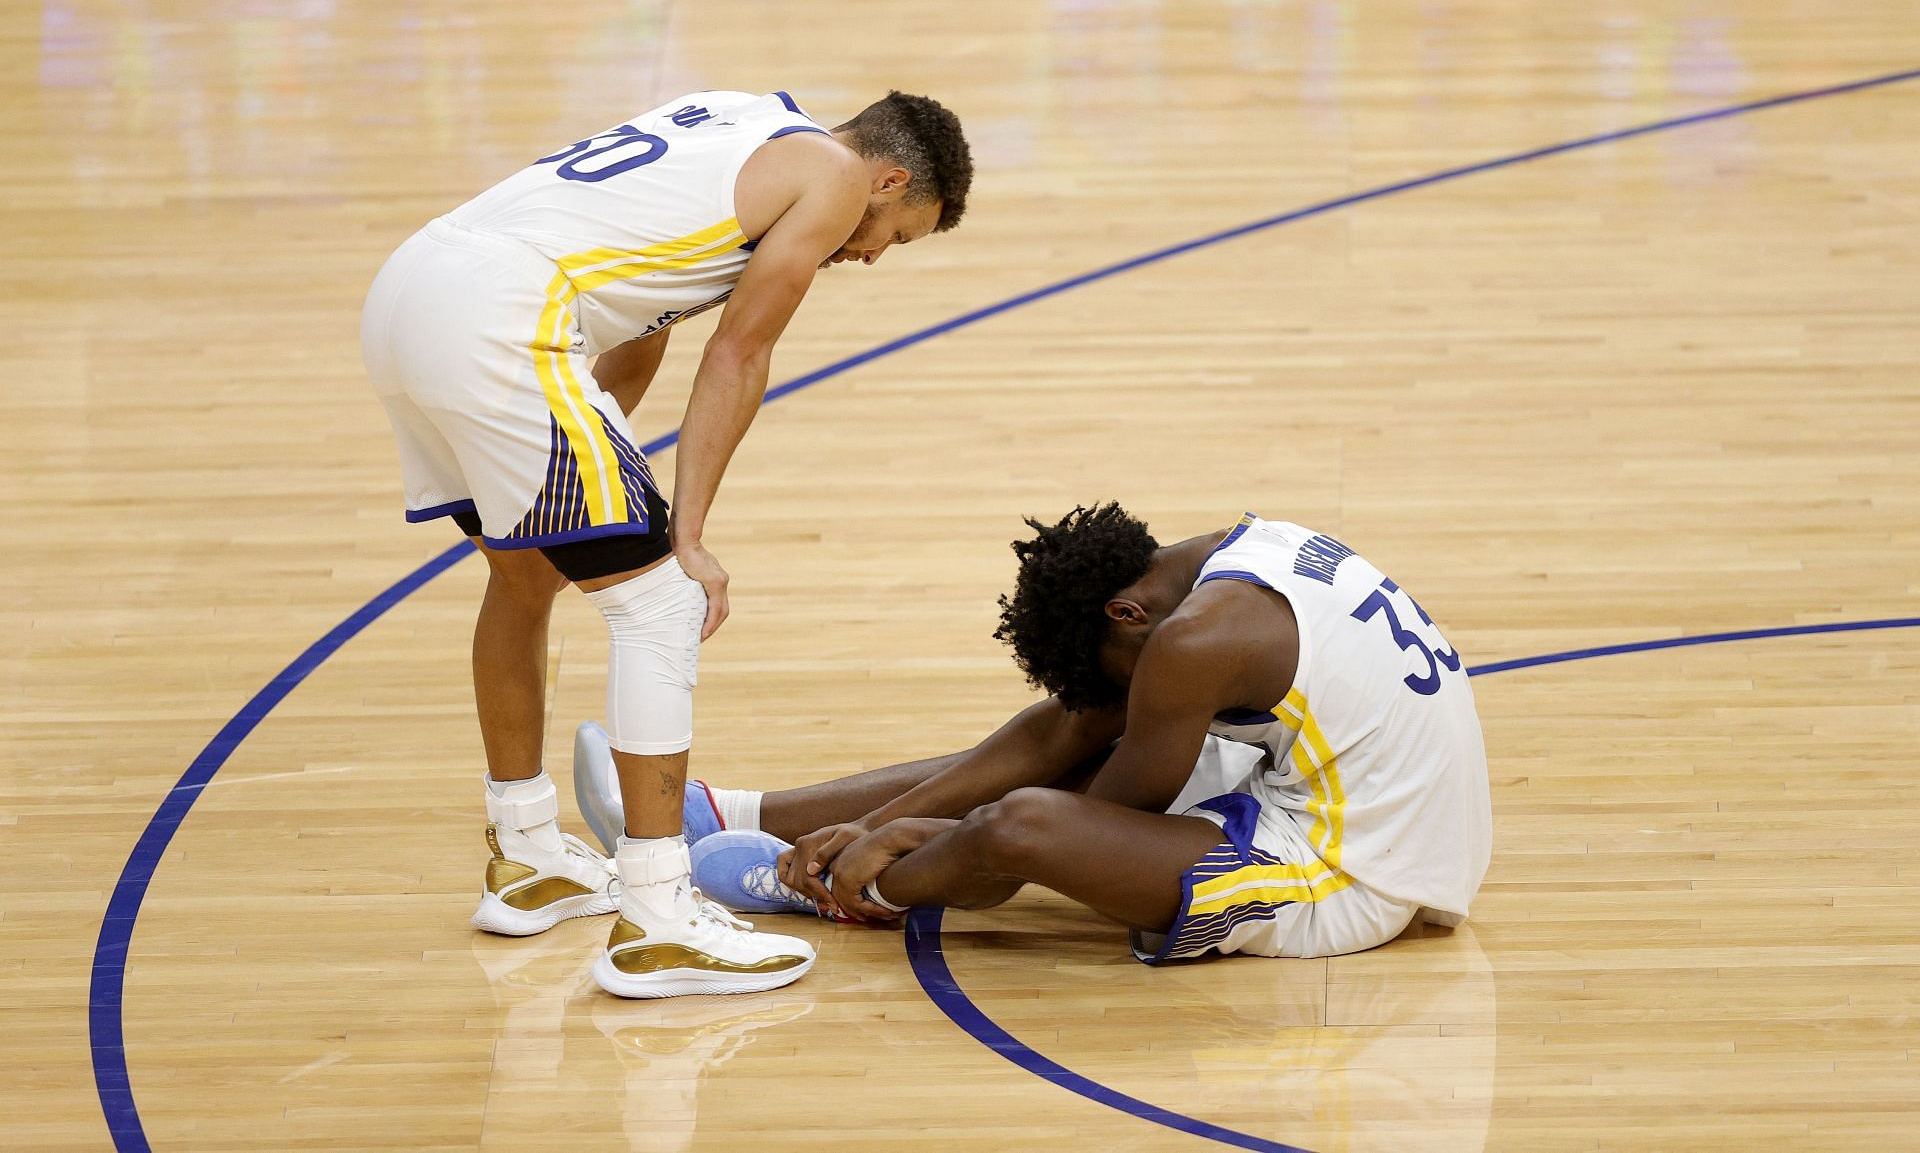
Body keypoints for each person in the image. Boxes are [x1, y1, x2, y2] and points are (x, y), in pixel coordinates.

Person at [360, 89, 973, 997]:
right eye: (899, 233)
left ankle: (527, 856)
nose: (872, 253)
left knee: (527, 578)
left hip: (413, 294)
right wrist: (683, 539)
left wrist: (597, 497)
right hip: (503, 318)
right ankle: (658, 919)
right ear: (888, 178)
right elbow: (740, 351)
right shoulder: (838, 181)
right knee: (661, 604)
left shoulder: (742, 120)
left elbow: (642, 326)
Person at [578, 505, 1490, 963]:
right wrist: (892, 814)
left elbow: (1072, 821)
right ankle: (725, 812)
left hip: (1355, 872)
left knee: (1021, 827)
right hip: (1329, 795)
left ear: (1128, 611)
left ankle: (833, 883)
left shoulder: (1192, 641)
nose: (1113, 696)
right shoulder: (1240, 552)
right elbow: (1063, 728)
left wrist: (905, 835)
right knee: (1066, 748)